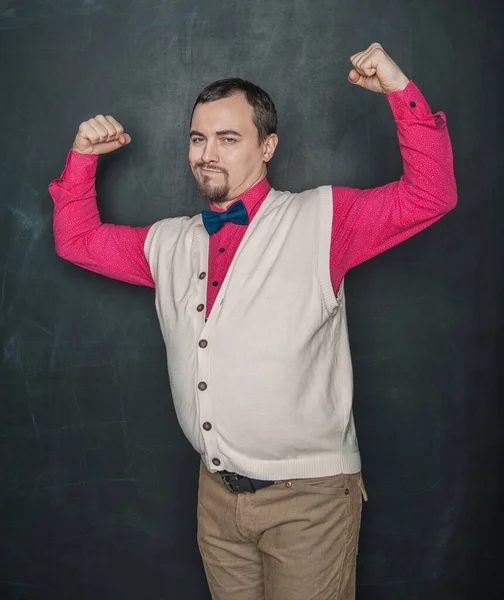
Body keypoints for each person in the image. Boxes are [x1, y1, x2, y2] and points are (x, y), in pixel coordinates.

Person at [48, 42, 457, 600]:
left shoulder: (324, 219)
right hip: (216, 498)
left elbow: (431, 194)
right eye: (198, 138)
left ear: (268, 146)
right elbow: (77, 241)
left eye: (228, 138)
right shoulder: (167, 242)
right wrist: (82, 158)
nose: (207, 154)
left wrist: (399, 89)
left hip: (308, 500)